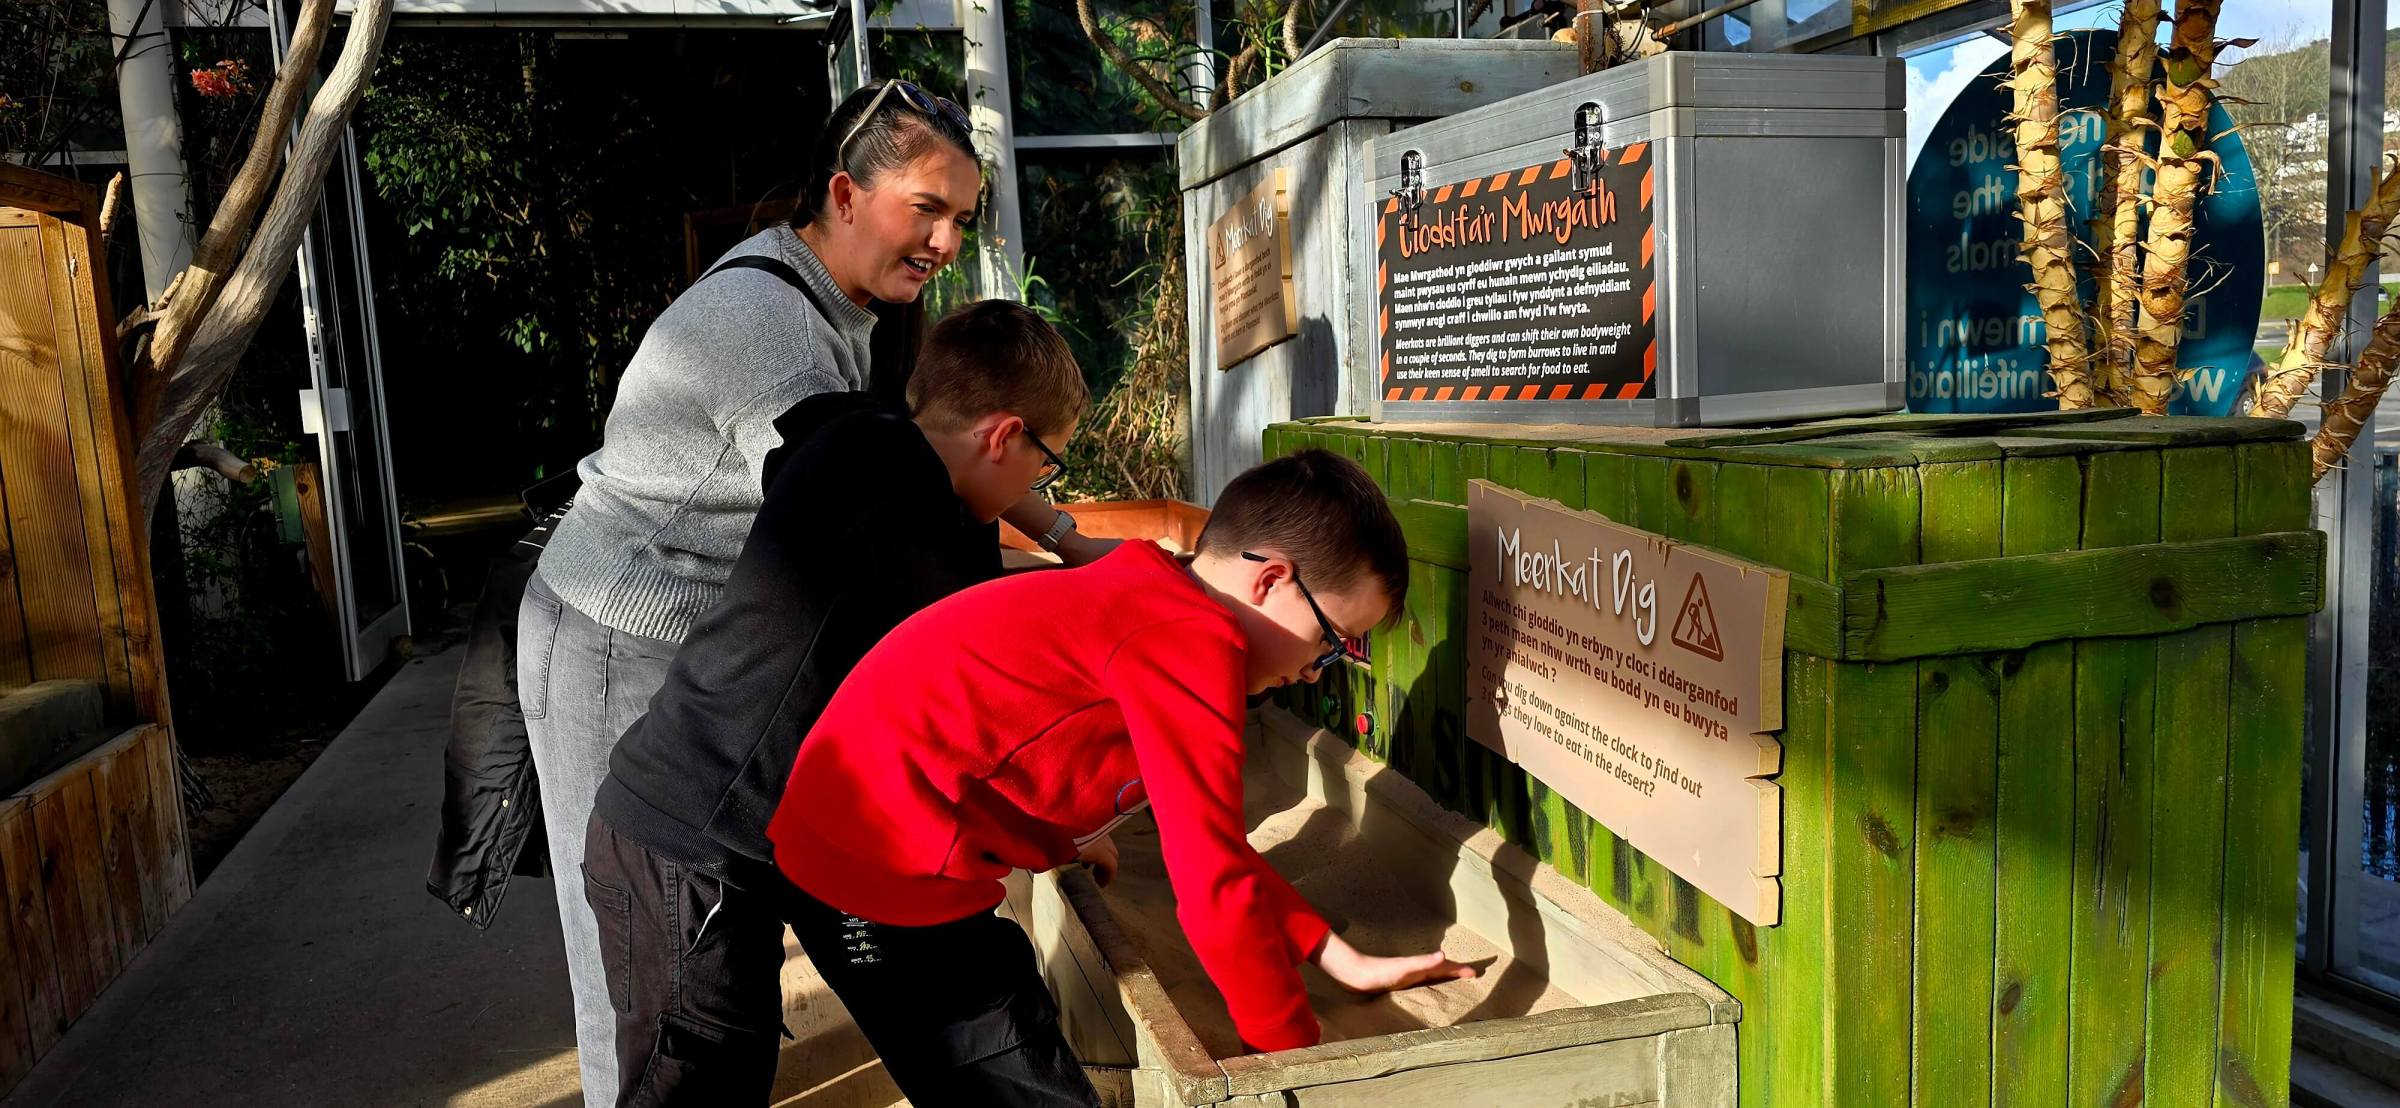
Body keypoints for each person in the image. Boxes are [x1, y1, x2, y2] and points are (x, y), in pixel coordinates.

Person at [519, 80, 1106, 1105]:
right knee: (655, 951)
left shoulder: (850, 305)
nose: (944, 241)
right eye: (925, 208)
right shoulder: (768, 327)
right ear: (845, 191)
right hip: (620, 627)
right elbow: (878, 535)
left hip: (712, 624)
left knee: (709, 924)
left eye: (960, 220)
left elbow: (947, 454)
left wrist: (1059, 532)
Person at [766, 449, 1478, 1105]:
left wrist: (1338, 957)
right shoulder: (1192, 643)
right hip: (872, 877)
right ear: (1269, 579)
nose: (1316, 669)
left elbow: (1202, 840)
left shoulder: (1152, 594)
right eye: (1331, 640)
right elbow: (1213, 885)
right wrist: (1290, 1063)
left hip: (856, 844)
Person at [580, 299, 1087, 1104]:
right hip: (695, 841)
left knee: (960, 994)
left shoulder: (863, 431)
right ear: (1003, 436)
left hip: (789, 828)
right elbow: (998, 659)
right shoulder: (914, 516)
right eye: (1048, 462)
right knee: (700, 1088)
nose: (1042, 484)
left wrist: (1066, 542)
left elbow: (951, 568)